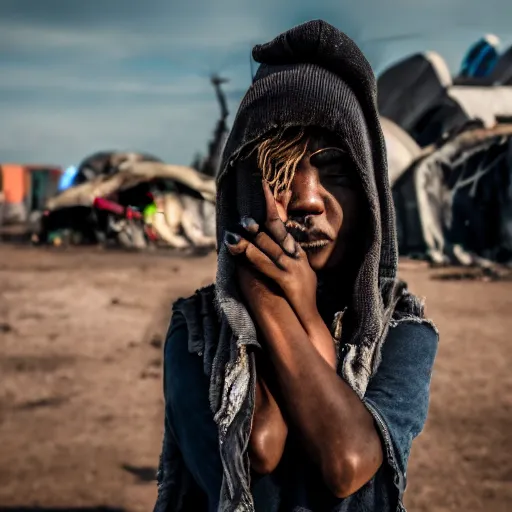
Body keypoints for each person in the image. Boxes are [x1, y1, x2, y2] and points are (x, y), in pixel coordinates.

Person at [153, 20, 439, 512]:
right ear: (244, 189)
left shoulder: (402, 334)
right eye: (280, 174)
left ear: (371, 196)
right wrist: (263, 296)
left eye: (336, 172)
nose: (307, 199)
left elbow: (346, 460)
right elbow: (258, 446)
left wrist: (304, 312)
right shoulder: (196, 334)